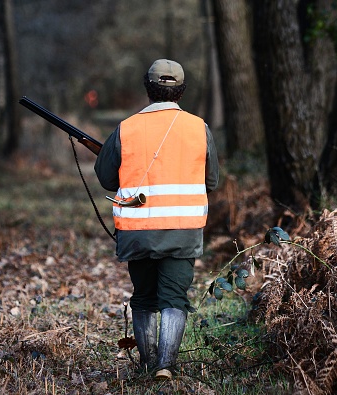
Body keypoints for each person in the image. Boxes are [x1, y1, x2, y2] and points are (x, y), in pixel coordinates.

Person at [94, 59, 219, 380]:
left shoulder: (126, 127)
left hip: (138, 230)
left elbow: (107, 179)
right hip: (183, 230)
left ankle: (148, 364)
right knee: (174, 296)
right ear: (181, 90)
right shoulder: (199, 127)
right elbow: (212, 181)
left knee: (144, 297)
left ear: (148, 88)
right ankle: (166, 364)